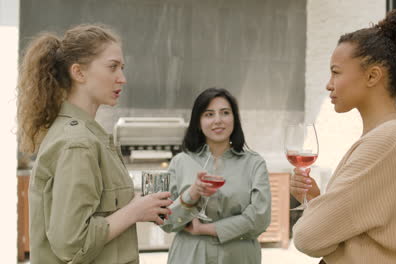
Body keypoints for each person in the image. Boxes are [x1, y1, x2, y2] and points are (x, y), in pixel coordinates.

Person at [17, 24, 172, 264]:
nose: (123, 78)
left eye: (122, 68)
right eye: (112, 67)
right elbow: (72, 243)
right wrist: (135, 211)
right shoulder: (79, 143)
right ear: (78, 73)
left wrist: (142, 206)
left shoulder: (86, 134)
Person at [290, 10, 396, 264]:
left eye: (336, 72)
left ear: (373, 76)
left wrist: (318, 213)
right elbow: (362, 228)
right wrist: (317, 202)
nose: (329, 84)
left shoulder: (386, 142)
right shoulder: (392, 137)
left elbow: (307, 238)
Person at [160, 87, 271, 264]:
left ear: (234, 118)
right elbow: (166, 222)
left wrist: (206, 229)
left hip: (239, 257)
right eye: (209, 114)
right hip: (190, 256)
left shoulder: (254, 163)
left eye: (225, 113)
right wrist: (192, 194)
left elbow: (260, 219)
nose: (218, 120)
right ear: (198, 121)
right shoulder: (180, 162)